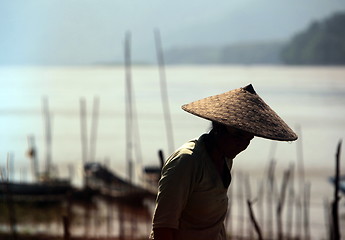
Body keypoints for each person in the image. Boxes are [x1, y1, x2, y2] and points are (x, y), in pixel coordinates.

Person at [150, 84, 298, 240]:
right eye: (238, 136)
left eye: (249, 139)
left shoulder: (224, 160)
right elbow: (163, 227)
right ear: (218, 127)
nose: (242, 145)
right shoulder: (186, 162)